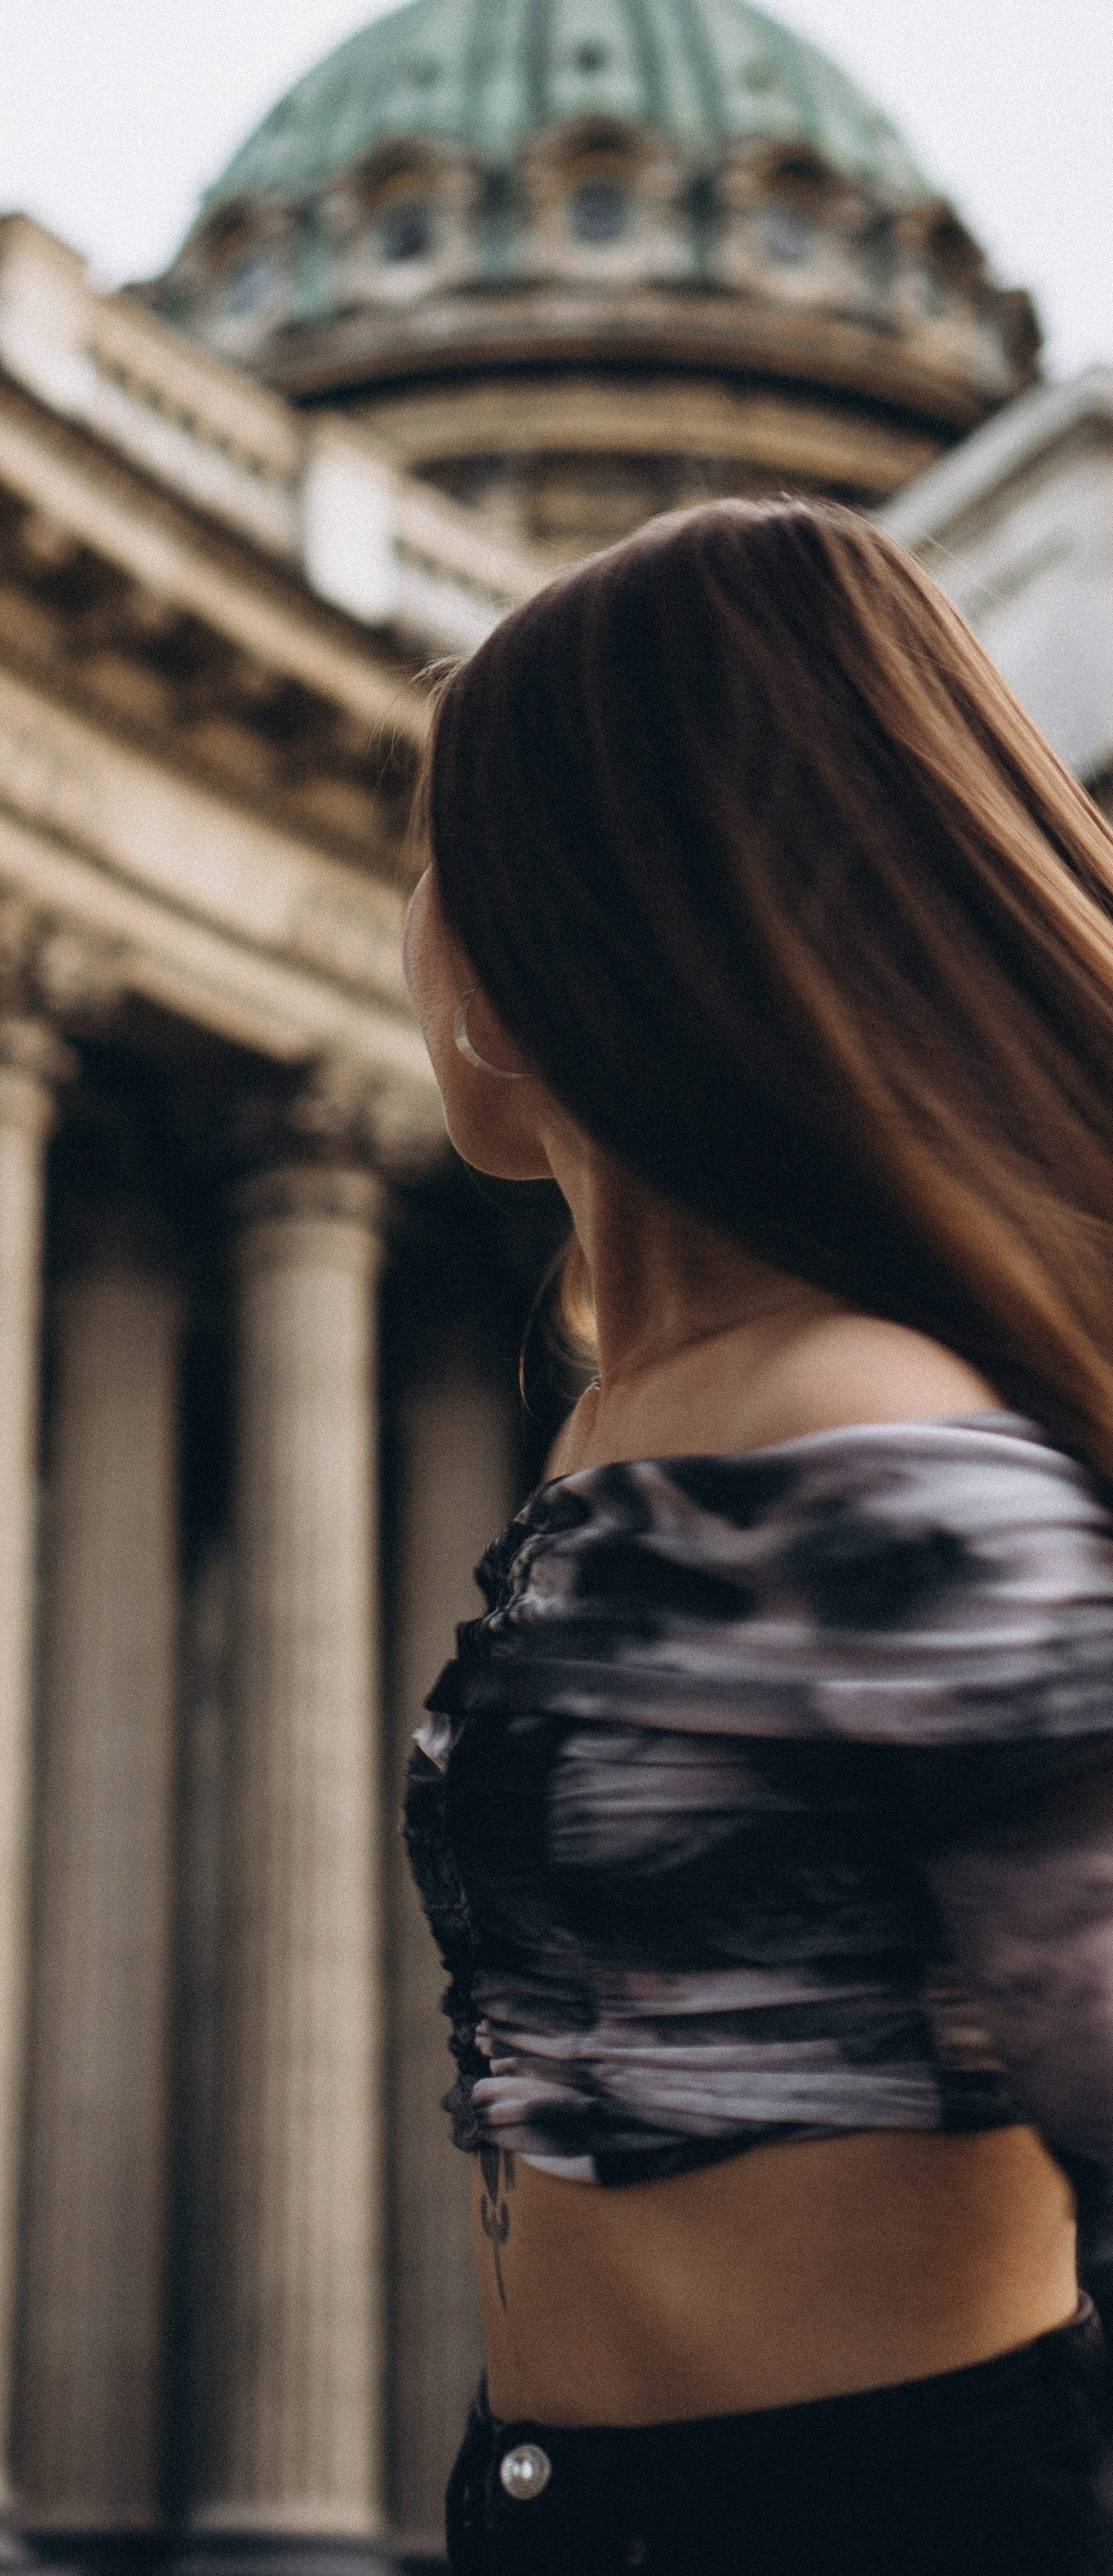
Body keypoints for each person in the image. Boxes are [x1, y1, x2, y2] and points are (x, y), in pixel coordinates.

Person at [400, 498, 1113, 2575]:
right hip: (571, 2512)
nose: (414, 918)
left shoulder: (865, 1435)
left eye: (437, 857)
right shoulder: (652, 1415)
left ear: (577, 924)